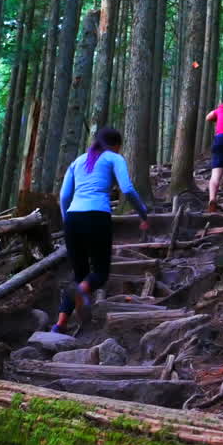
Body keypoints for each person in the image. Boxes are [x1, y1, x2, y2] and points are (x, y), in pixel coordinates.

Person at [54, 127, 150, 332]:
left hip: (72, 218)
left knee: (79, 273)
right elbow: (127, 189)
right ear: (117, 145)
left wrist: (66, 220)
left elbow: (63, 196)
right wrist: (143, 212)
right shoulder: (114, 158)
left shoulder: (77, 161)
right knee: (99, 273)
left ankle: (60, 324)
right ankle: (81, 292)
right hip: (97, 217)